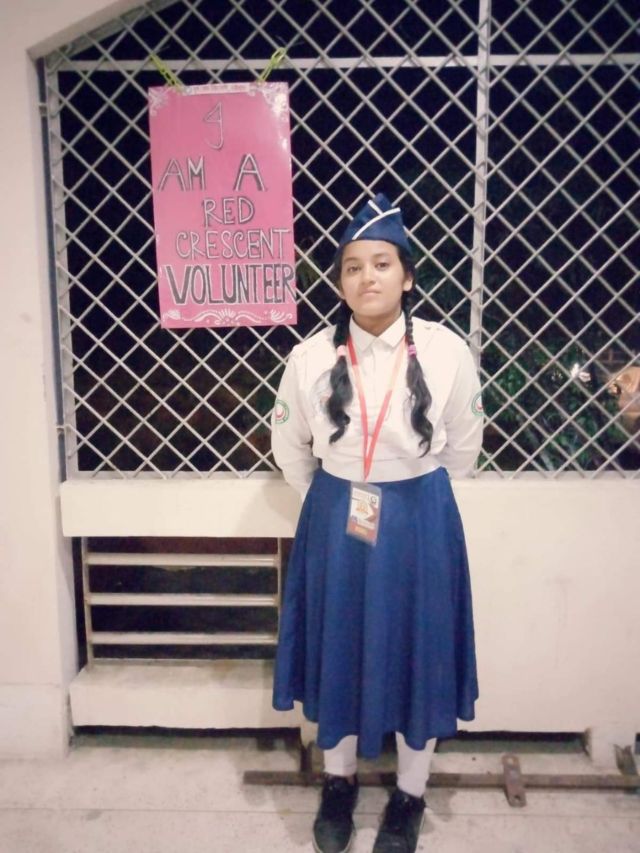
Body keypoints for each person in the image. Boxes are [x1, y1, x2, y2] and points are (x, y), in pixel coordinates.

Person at [271, 193, 482, 853]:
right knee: (339, 645)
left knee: (420, 651)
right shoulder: (309, 357)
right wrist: (342, 495)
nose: (367, 277)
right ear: (339, 282)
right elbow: (291, 451)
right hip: (339, 515)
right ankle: (338, 783)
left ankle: (410, 794)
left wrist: (408, 492)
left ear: (408, 275)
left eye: (382, 263)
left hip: (420, 516)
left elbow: (463, 448)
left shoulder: (446, 352)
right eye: (353, 266)